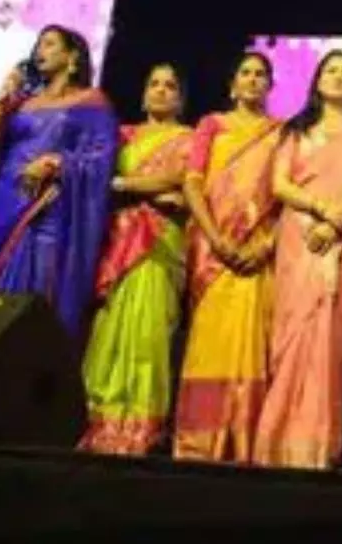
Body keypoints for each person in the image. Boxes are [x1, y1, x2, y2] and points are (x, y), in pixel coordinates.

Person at [255, 49, 342, 469]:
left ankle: (319, 447)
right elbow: (279, 184)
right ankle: (277, 441)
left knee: (335, 338)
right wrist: (319, 208)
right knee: (293, 334)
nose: (339, 78)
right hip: (299, 239)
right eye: (331, 70)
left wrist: (339, 221)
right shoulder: (296, 132)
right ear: (316, 81)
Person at [172, 52, 283, 462]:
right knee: (209, 343)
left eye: (261, 75)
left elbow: (282, 197)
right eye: (246, 74)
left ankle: (243, 437)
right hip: (213, 252)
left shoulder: (281, 132)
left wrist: (265, 245)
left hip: (259, 253)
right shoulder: (211, 126)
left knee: (252, 342)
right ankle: (199, 442)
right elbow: (192, 184)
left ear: (270, 86)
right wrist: (216, 238)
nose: (253, 80)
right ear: (232, 84)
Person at [0, 25, 118, 340]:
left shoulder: (91, 101)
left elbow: (100, 159)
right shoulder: (23, 102)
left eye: (50, 44)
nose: (40, 50)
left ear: (72, 56)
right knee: (1, 288)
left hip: (53, 205)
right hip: (8, 201)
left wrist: (58, 163)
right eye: (39, 44)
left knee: (43, 287)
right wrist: (7, 87)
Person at [80, 64, 193, 455]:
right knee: (109, 329)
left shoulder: (190, 139)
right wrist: (145, 191)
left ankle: (140, 428)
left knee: (149, 335)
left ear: (180, 98)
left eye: (170, 86)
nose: (161, 91)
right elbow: (94, 176)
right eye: (154, 84)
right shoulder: (120, 136)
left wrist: (125, 185)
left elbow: (179, 179)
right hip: (117, 242)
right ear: (144, 93)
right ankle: (100, 422)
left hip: (159, 244)